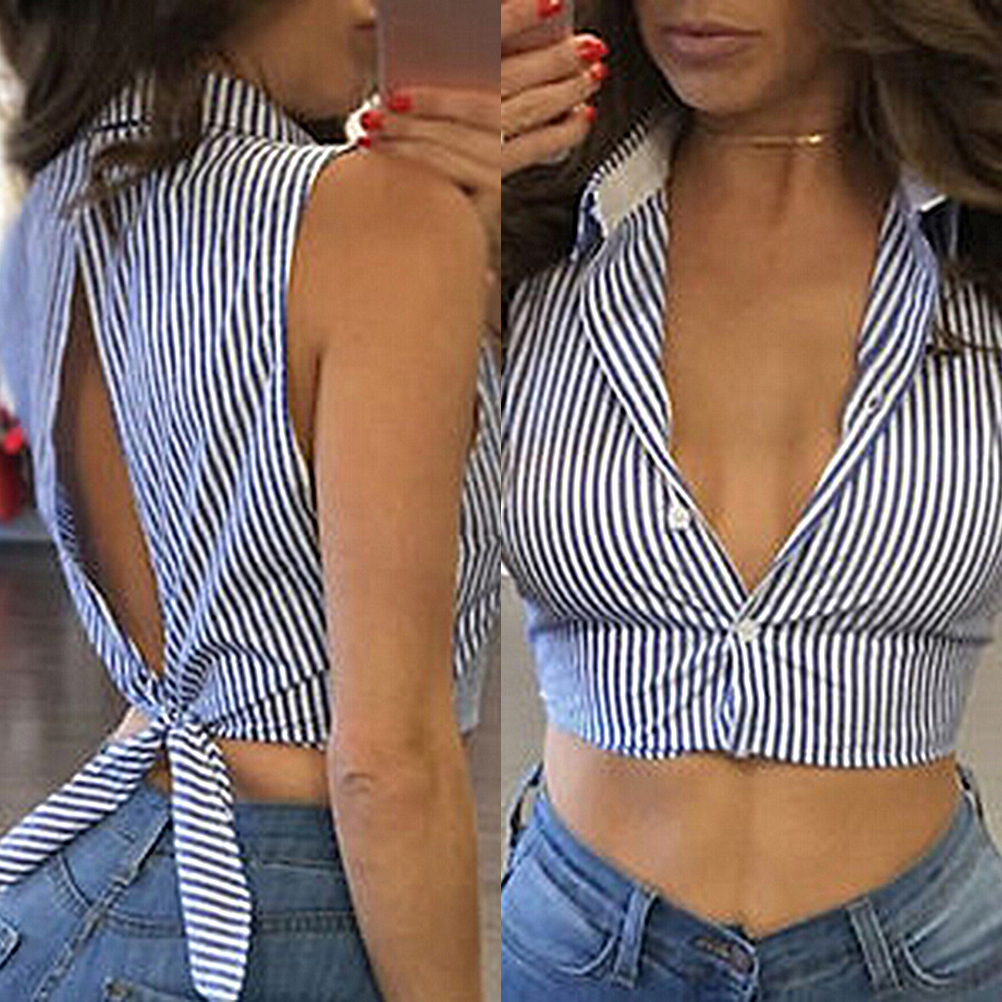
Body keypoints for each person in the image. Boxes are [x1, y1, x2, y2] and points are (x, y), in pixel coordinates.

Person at [0, 0, 519, 998]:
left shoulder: (59, 207)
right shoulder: (377, 217)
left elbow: (176, 658)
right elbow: (387, 762)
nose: (379, 7)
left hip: (77, 896)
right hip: (280, 916)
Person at [499, 0, 1002, 999]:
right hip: (576, 950)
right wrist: (423, 189)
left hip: (921, 957)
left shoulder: (978, 238)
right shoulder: (531, 225)